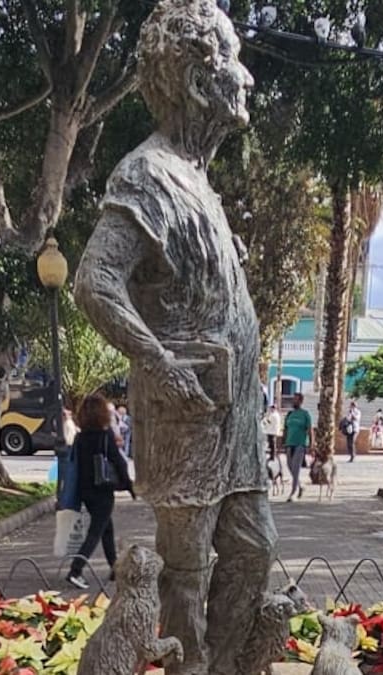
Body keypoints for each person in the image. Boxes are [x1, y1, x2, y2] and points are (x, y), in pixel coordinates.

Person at [73, 2, 274, 670]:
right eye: (232, 60)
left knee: (254, 549)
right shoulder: (147, 174)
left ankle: (227, 663)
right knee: (185, 570)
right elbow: (94, 282)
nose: (246, 77)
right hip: (186, 414)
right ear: (195, 80)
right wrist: (156, 360)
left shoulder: (198, 179)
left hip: (234, 426)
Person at [67, 394, 134, 590]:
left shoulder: (80, 437)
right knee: (96, 531)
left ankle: (114, 567)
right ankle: (75, 570)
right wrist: (129, 485)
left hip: (85, 490)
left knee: (106, 528)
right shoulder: (105, 436)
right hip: (103, 489)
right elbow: (119, 462)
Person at [283, 393, 314, 502]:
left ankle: (293, 492)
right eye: (293, 399)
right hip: (289, 443)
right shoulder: (290, 414)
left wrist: (311, 445)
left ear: (301, 401)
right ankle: (300, 486)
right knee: (290, 466)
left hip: (300, 444)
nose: (294, 401)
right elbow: (286, 429)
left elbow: (310, 430)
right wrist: (282, 443)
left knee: (296, 468)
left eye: (296, 400)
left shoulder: (305, 414)